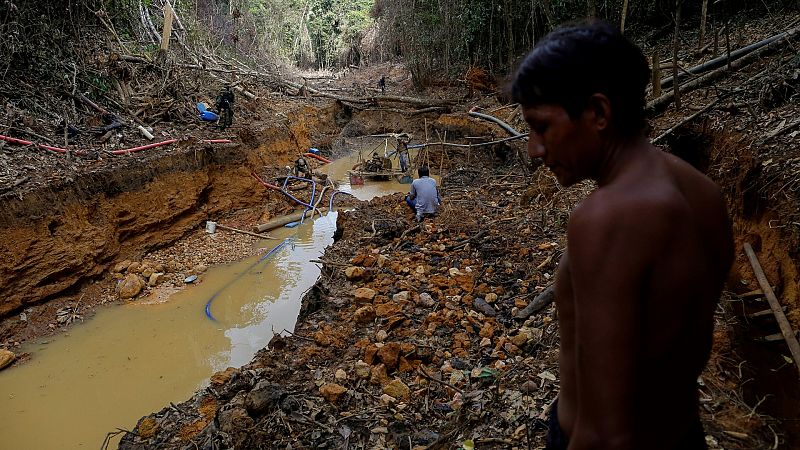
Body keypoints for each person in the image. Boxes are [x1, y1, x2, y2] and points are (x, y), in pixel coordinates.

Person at [511, 22, 733, 450]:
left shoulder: (608, 218)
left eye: (542, 128)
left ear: (598, 113)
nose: (534, 151)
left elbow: (605, 434)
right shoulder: (702, 193)